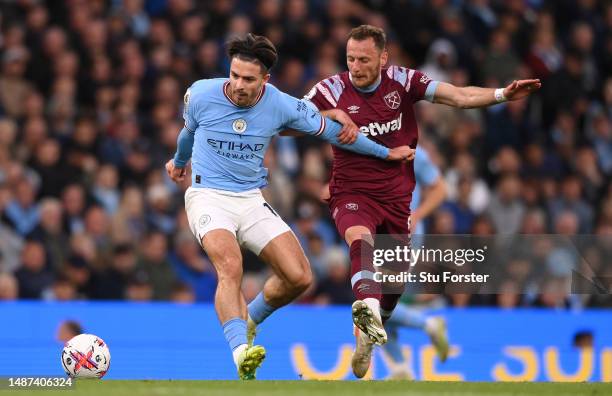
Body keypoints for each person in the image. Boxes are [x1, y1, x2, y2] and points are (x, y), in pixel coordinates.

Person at [165, 33, 415, 380]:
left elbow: (335, 132)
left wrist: (386, 153)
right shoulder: (202, 93)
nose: (238, 85)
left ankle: (249, 321)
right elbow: (188, 132)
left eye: (248, 79)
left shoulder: (280, 104)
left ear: (264, 80)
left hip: (251, 198)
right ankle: (241, 353)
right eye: (234, 75)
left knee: (299, 277)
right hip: (208, 196)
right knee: (230, 265)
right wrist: (179, 161)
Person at [306, 25, 541, 378]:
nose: (355, 66)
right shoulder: (331, 88)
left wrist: (501, 95)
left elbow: (458, 96)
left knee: (395, 289)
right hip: (352, 191)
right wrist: (331, 115)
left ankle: (371, 332)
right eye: (350, 58)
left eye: (364, 59)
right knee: (361, 240)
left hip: (398, 199)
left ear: (383, 58)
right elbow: (290, 120)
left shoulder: (403, 81)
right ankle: (369, 314)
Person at [382, 146, 449, 380]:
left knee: (373, 302)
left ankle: (429, 324)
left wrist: (417, 215)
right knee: (378, 304)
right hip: (378, 233)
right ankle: (400, 367)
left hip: (403, 235)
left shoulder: (414, 154)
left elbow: (440, 189)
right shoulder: (367, 146)